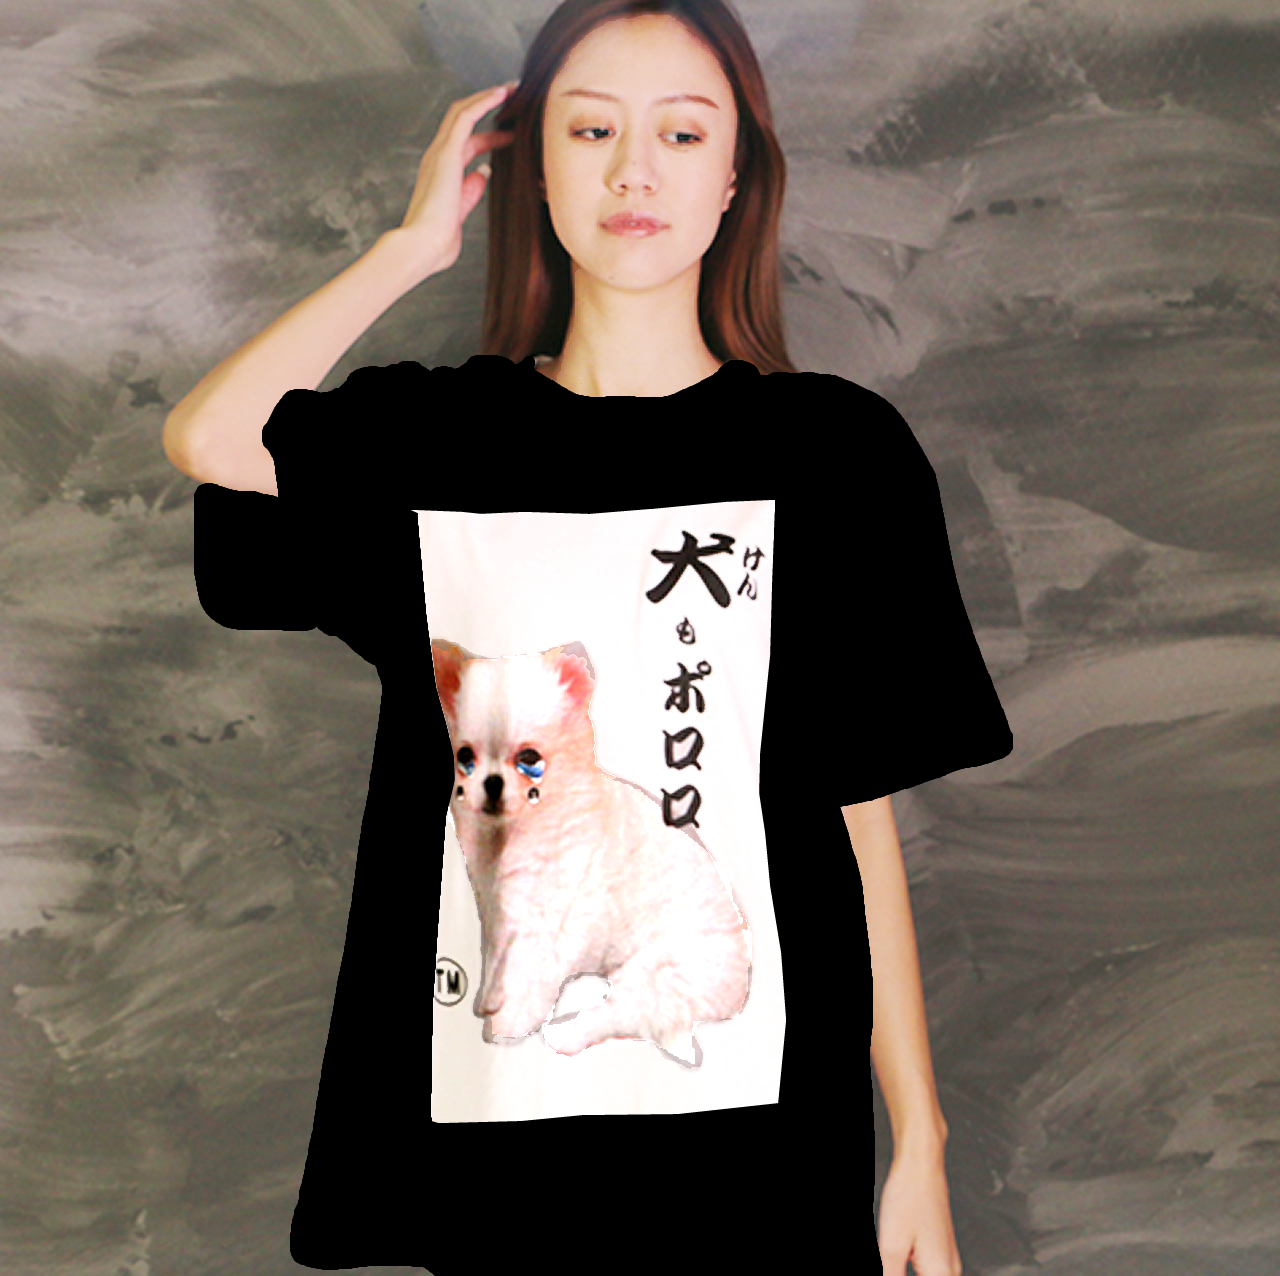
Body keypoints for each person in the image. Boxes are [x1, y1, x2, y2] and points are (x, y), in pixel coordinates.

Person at [163, 2, 1009, 1272]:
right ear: (533, 169)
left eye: (682, 133)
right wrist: (409, 249)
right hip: (500, 1152)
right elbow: (212, 440)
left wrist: (919, 1141)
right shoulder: (433, 444)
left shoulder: (836, 457)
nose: (634, 172)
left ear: (736, 176)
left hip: (758, 1151)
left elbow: (856, 817)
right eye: (591, 130)